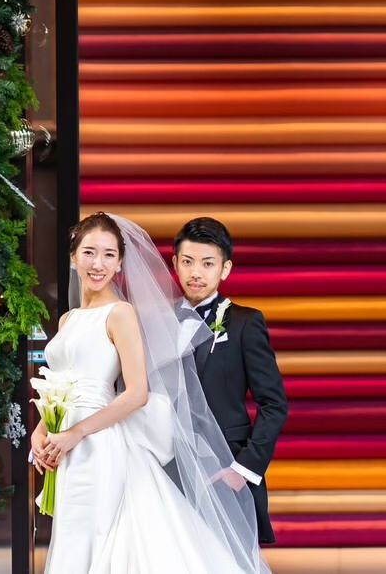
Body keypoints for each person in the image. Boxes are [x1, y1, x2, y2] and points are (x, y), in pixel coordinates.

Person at [30, 212, 269, 574]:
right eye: (89, 252)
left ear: (120, 262)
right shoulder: (68, 320)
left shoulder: (121, 313)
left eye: (109, 254)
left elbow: (137, 393)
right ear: (74, 256)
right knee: (73, 536)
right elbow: (60, 386)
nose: (98, 263)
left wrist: (75, 433)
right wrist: (41, 431)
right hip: (66, 446)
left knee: (98, 536)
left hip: (99, 444)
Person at [172, 217, 288, 545]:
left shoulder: (245, 323)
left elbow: (274, 405)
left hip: (224, 471)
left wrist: (243, 469)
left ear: (225, 269)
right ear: (175, 263)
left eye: (207, 263)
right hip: (169, 470)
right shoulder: (157, 321)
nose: (196, 272)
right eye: (188, 262)